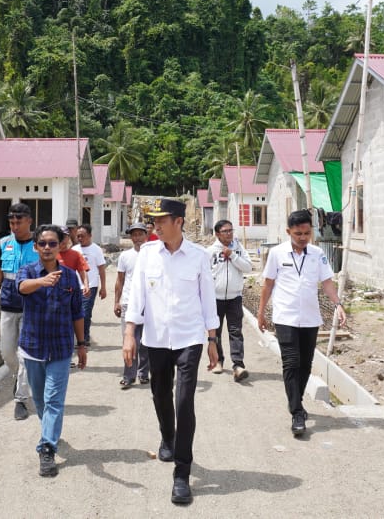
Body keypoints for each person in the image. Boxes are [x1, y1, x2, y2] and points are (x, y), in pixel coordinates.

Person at [124, 198, 218, 506]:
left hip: (190, 338)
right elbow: (137, 294)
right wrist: (129, 333)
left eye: (161, 220)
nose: (155, 226)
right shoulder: (148, 254)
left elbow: (207, 299)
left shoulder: (198, 256)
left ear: (178, 221)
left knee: (184, 401)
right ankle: (167, 435)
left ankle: (182, 473)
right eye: (153, 221)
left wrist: (213, 338)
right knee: (160, 394)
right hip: (156, 339)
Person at [258, 209, 347, 437]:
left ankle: (294, 400)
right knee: (291, 362)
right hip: (285, 317)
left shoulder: (317, 254)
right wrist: (261, 313)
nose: (302, 237)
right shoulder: (277, 254)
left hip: (310, 318)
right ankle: (297, 412)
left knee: (306, 364)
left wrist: (338, 304)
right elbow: (267, 285)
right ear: (289, 232)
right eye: (298, 233)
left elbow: (327, 283)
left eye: (307, 233)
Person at [16, 225, 87, 477]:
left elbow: (77, 312)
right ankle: (50, 431)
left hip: (60, 348)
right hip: (33, 347)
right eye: (42, 243)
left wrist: (82, 344)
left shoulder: (69, 276)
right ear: (36, 247)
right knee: (40, 401)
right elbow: (22, 287)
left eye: (52, 243)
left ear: (60, 246)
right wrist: (42, 281)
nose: (47, 247)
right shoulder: (27, 270)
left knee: (54, 400)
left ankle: (47, 448)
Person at [0, 203, 38, 421]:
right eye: (11, 222)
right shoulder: (4, 243)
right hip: (7, 306)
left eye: (19, 222)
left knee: (24, 356)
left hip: (32, 308)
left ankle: (20, 400)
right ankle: (19, 378)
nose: (14, 226)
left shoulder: (40, 244)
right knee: (7, 352)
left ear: (29, 221)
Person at [206, 219, 253, 381]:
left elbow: (248, 267)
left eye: (231, 230)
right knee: (216, 332)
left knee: (235, 331)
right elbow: (204, 274)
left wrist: (232, 255)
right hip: (215, 299)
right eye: (225, 231)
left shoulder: (239, 249)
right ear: (217, 234)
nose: (229, 234)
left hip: (234, 297)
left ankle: (238, 365)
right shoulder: (210, 251)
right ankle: (218, 361)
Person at [113, 222, 150, 389]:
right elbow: (120, 280)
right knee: (129, 340)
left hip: (149, 304)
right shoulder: (125, 256)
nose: (137, 238)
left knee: (146, 342)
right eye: (134, 235)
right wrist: (116, 301)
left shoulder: (154, 255)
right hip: (129, 303)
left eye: (140, 234)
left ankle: (143, 373)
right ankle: (129, 376)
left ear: (146, 235)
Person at [73, 224, 106, 345]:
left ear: (90, 236)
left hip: (91, 285)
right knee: (76, 312)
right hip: (75, 286)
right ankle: (78, 337)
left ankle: (84, 337)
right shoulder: (74, 250)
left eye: (83, 236)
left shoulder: (96, 249)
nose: (80, 238)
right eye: (78, 236)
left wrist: (103, 287)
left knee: (85, 313)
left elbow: (101, 269)